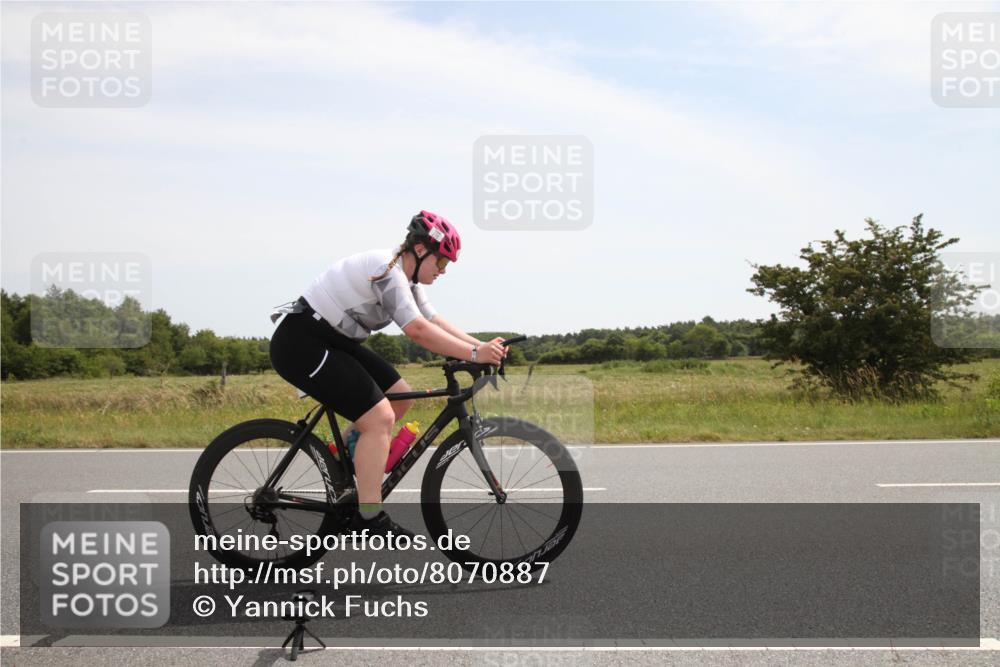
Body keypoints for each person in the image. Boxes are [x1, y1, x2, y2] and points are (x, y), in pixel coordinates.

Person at [268, 210, 506, 540]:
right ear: (421, 250)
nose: (442, 271)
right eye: (442, 263)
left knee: (399, 394)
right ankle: (368, 516)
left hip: (332, 340)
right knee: (379, 418)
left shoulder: (405, 278)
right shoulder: (387, 270)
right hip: (302, 342)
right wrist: (476, 355)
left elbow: (434, 321)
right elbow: (417, 331)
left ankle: (344, 470)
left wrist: (479, 346)